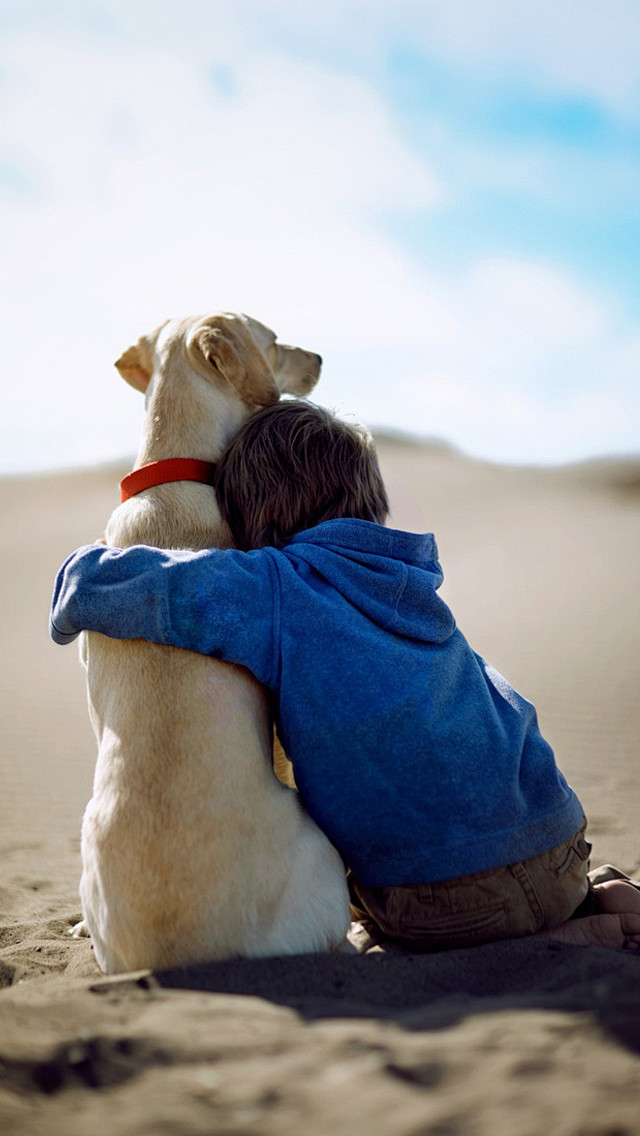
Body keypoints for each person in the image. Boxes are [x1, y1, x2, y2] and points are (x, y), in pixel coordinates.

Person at [50, 399, 640, 952]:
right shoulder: (406, 574)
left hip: (444, 899)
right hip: (559, 843)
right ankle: (587, 897)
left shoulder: (279, 586)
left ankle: (573, 938)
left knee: (382, 919)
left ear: (253, 513)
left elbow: (117, 588)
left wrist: (87, 559)